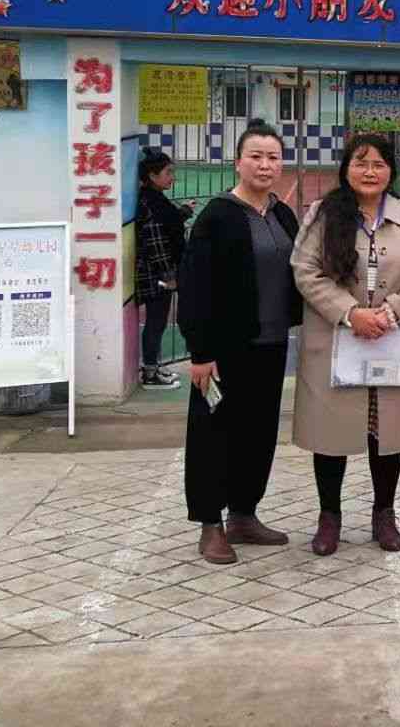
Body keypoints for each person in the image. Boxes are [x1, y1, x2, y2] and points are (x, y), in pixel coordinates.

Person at [292, 134, 400, 556]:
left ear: (391, 171)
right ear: (346, 169)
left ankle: (384, 514)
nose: (370, 172)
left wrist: (393, 312)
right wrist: (350, 312)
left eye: (378, 164)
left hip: (390, 339)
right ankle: (329, 517)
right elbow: (304, 270)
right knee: (331, 431)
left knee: (385, 431)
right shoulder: (323, 214)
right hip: (337, 338)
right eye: (361, 163)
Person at [177, 120, 302, 565]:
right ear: (238, 163)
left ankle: (244, 514)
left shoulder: (283, 215)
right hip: (224, 350)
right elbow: (194, 286)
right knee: (214, 436)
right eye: (256, 156)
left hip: (271, 344)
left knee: (258, 432)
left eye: (273, 157)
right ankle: (210, 524)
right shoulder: (218, 216)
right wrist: (200, 352)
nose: (265, 165)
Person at [134, 148, 193, 390]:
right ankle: (150, 372)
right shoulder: (150, 203)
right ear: (152, 175)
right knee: (156, 321)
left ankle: (154, 365)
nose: (172, 177)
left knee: (157, 320)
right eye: (168, 172)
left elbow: (169, 222)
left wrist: (183, 212)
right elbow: (157, 243)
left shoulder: (154, 199)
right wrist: (170, 277)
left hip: (158, 273)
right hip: (157, 275)